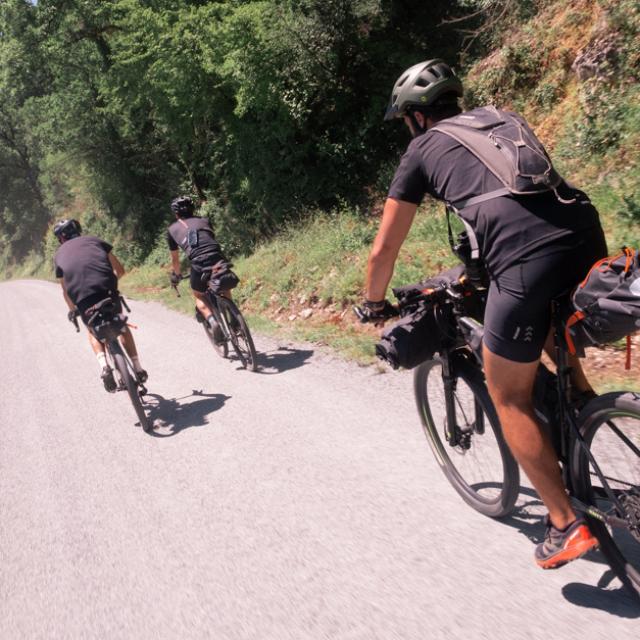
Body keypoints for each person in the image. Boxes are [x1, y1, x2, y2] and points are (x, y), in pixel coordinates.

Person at [362, 59, 608, 569]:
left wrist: (372, 303)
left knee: (508, 395)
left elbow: (384, 249)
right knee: (546, 320)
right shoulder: (503, 118)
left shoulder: (421, 148)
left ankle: (565, 524)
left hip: (522, 255)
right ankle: (584, 404)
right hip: (584, 232)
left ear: (413, 116)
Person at [53, 219, 147, 392]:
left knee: (92, 331)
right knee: (122, 325)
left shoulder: (58, 255)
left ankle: (104, 366)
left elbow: (65, 291)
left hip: (83, 301)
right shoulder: (95, 241)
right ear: (78, 230)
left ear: (61, 238)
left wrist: (72, 310)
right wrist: (109, 284)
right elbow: (120, 270)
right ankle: (138, 368)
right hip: (107, 293)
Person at [167, 196, 237, 342]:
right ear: (193, 209)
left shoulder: (172, 229)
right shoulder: (204, 220)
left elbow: (175, 259)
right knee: (222, 283)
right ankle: (234, 317)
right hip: (217, 257)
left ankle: (212, 321)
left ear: (176, 213)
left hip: (199, 263)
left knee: (199, 295)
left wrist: (177, 275)